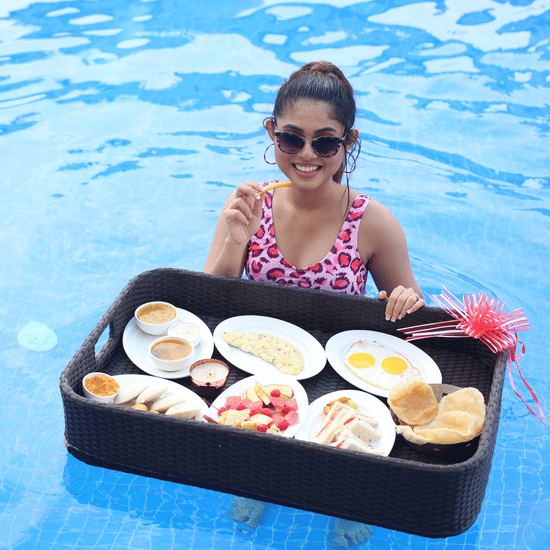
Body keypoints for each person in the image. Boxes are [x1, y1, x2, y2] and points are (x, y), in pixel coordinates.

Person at [203, 61, 426, 547]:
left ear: (348, 142)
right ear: (271, 133)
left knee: (348, 441)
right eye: (291, 139)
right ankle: (256, 477)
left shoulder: (372, 222)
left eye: (325, 142)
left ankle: (347, 496)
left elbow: (410, 311)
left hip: (339, 368)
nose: (307, 155)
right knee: (251, 421)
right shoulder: (248, 204)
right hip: (258, 360)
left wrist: (406, 299)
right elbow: (211, 300)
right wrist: (232, 241)